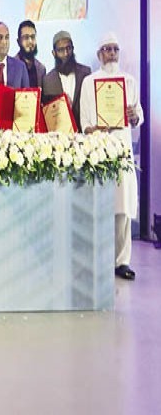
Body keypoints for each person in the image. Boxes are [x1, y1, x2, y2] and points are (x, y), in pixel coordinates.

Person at [79, 33, 142, 280]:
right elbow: (85, 120)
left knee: (123, 208)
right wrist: (93, 130)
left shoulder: (129, 81)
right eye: (107, 49)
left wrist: (133, 116)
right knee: (99, 205)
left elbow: (138, 116)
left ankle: (122, 261)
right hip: (98, 150)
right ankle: (99, 259)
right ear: (99, 54)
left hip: (123, 149)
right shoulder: (89, 82)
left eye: (115, 49)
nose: (112, 53)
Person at [41, 31, 91, 131]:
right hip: (60, 138)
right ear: (53, 53)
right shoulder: (47, 80)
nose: (66, 54)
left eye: (68, 48)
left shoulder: (85, 73)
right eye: (60, 50)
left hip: (85, 133)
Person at [15, 20, 46, 88]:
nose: (30, 41)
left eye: (33, 37)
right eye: (26, 37)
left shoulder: (41, 69)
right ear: (18, 42)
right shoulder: (11, 66)